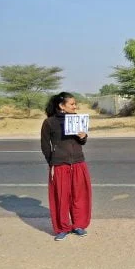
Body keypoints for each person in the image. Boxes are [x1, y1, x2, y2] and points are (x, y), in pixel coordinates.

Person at [41, 92, 92, 241]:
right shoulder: (49, 122)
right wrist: (52, 162)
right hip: (59, 165)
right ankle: (62, 227)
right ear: (61, 106)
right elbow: (45, 145)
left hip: (78, 163)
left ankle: (78, 225)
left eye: (75, 104)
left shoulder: (77, 119)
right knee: (61, 197)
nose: (75, 106)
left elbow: (82, 142)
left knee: (79, 196)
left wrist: (84, 137)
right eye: (72, 104)